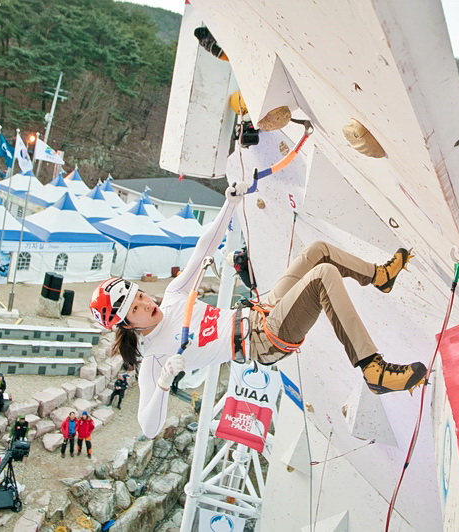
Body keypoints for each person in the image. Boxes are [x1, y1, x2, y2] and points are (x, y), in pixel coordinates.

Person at [89, 183, 425, 439]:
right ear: (127, 324)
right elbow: (148, 427)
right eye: (136, 308)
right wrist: (163, 383)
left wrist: (229, 205)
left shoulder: (174, 296)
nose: (148, 303)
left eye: (142, 295)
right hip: (263, 341)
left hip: (260, 311)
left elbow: (202, 247)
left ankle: (380, 277)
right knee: (323, 277)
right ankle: (372, 368)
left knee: (317, 252)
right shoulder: (155, 359)